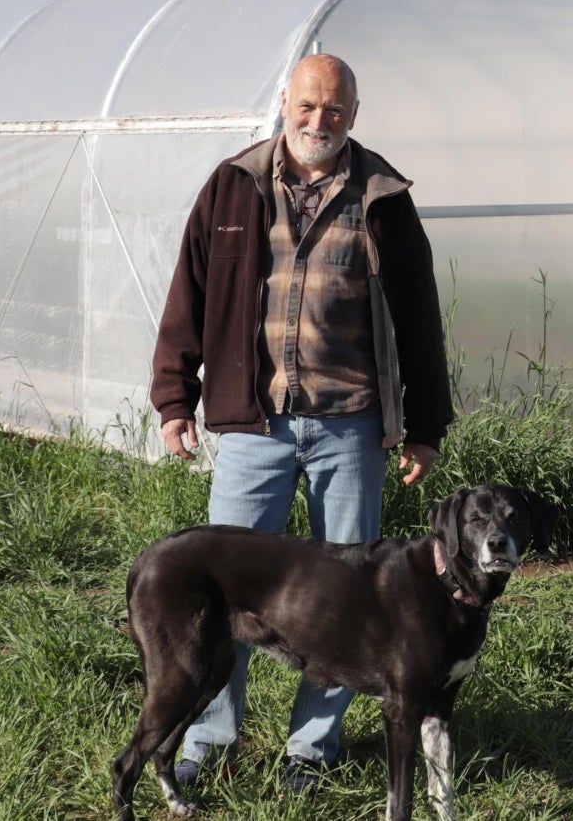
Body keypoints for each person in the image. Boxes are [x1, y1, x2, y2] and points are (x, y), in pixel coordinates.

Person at [150, 52, 453, 795]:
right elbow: (188, 293)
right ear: (285, 101)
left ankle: (311, 751)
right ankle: (211, 735)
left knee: (347, 600)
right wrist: (173, 397)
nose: (320, 122)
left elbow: (420, 318)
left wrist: (426, 425)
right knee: (224, 590)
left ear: (355, 113)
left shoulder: (383, 197)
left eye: (337, 110)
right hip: (254, 424)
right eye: (309, 106)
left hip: (351, 424)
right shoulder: (233, 186)